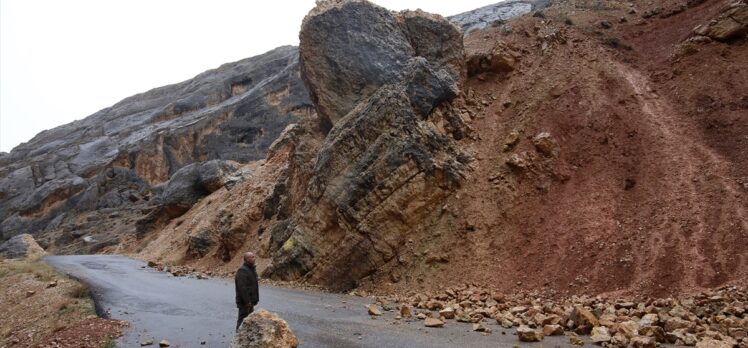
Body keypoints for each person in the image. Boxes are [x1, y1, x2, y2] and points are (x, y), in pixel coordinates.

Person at [235, 251, 259, 331]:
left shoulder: (251, 270)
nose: (254, 258)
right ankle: (237, 338)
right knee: (242, 321)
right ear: (246, 259)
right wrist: (247, 301)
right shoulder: (242, 271)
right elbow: (242, 288)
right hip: (245, 303)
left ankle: (245, 339)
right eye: (252, 257)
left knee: (249, 321)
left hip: (250, 302)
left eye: (254, 257)